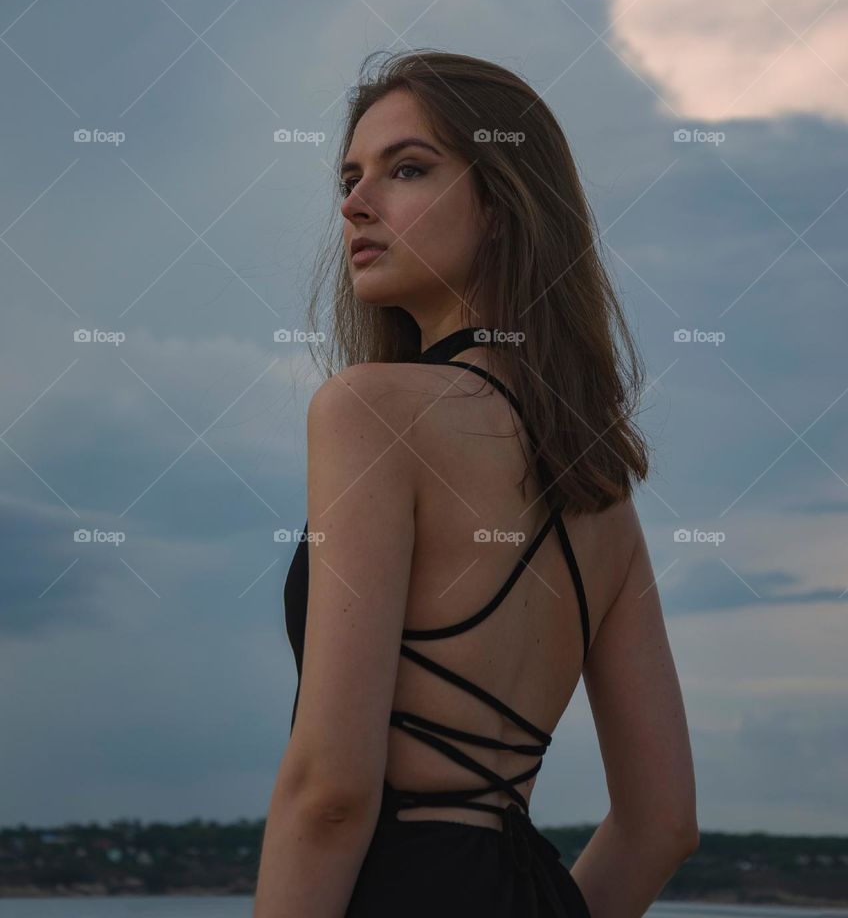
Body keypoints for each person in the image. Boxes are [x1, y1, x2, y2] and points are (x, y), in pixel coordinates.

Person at [253, 50, 699, 918]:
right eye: (349, 177)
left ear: (503, 205)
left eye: (407, 169)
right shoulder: (598, 488)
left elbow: (332, 792)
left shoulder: (370, 413)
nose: (354, 203)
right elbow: (663, 826)